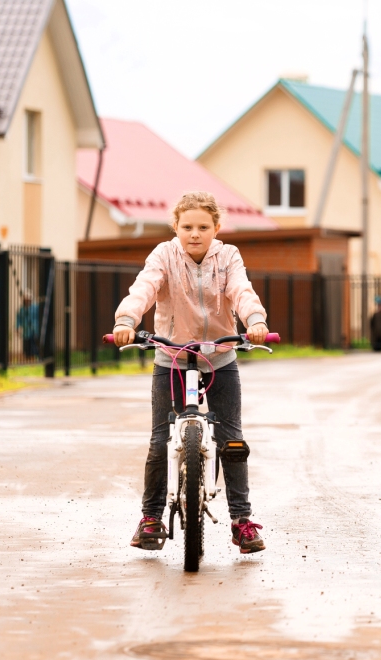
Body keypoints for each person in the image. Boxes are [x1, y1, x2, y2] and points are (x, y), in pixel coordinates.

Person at [112, 191, 270, 555]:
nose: (194, 234)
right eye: (187, 227)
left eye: (203, 227)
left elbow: (241, 291)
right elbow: (144, 288)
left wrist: (256, 320)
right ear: (175, 227)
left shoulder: (228, 256)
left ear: (217, 228)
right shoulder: (164, 255)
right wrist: (126, 319)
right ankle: (150, 518)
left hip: (220, 358)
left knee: (232, 440)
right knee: (158, 440)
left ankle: (241, 521)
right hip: (172, 358)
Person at [15, 289, 41, 359]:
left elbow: (39, 317)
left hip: (35, 329)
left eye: (28, 299)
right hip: (26, 331)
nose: (27, 301)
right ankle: (28, 357)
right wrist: (17, 328)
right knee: (27, 345)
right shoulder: (22, 309)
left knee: (35, 344)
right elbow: (18, 319)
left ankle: (36, 357)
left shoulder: (36, 307)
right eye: (26, 299)